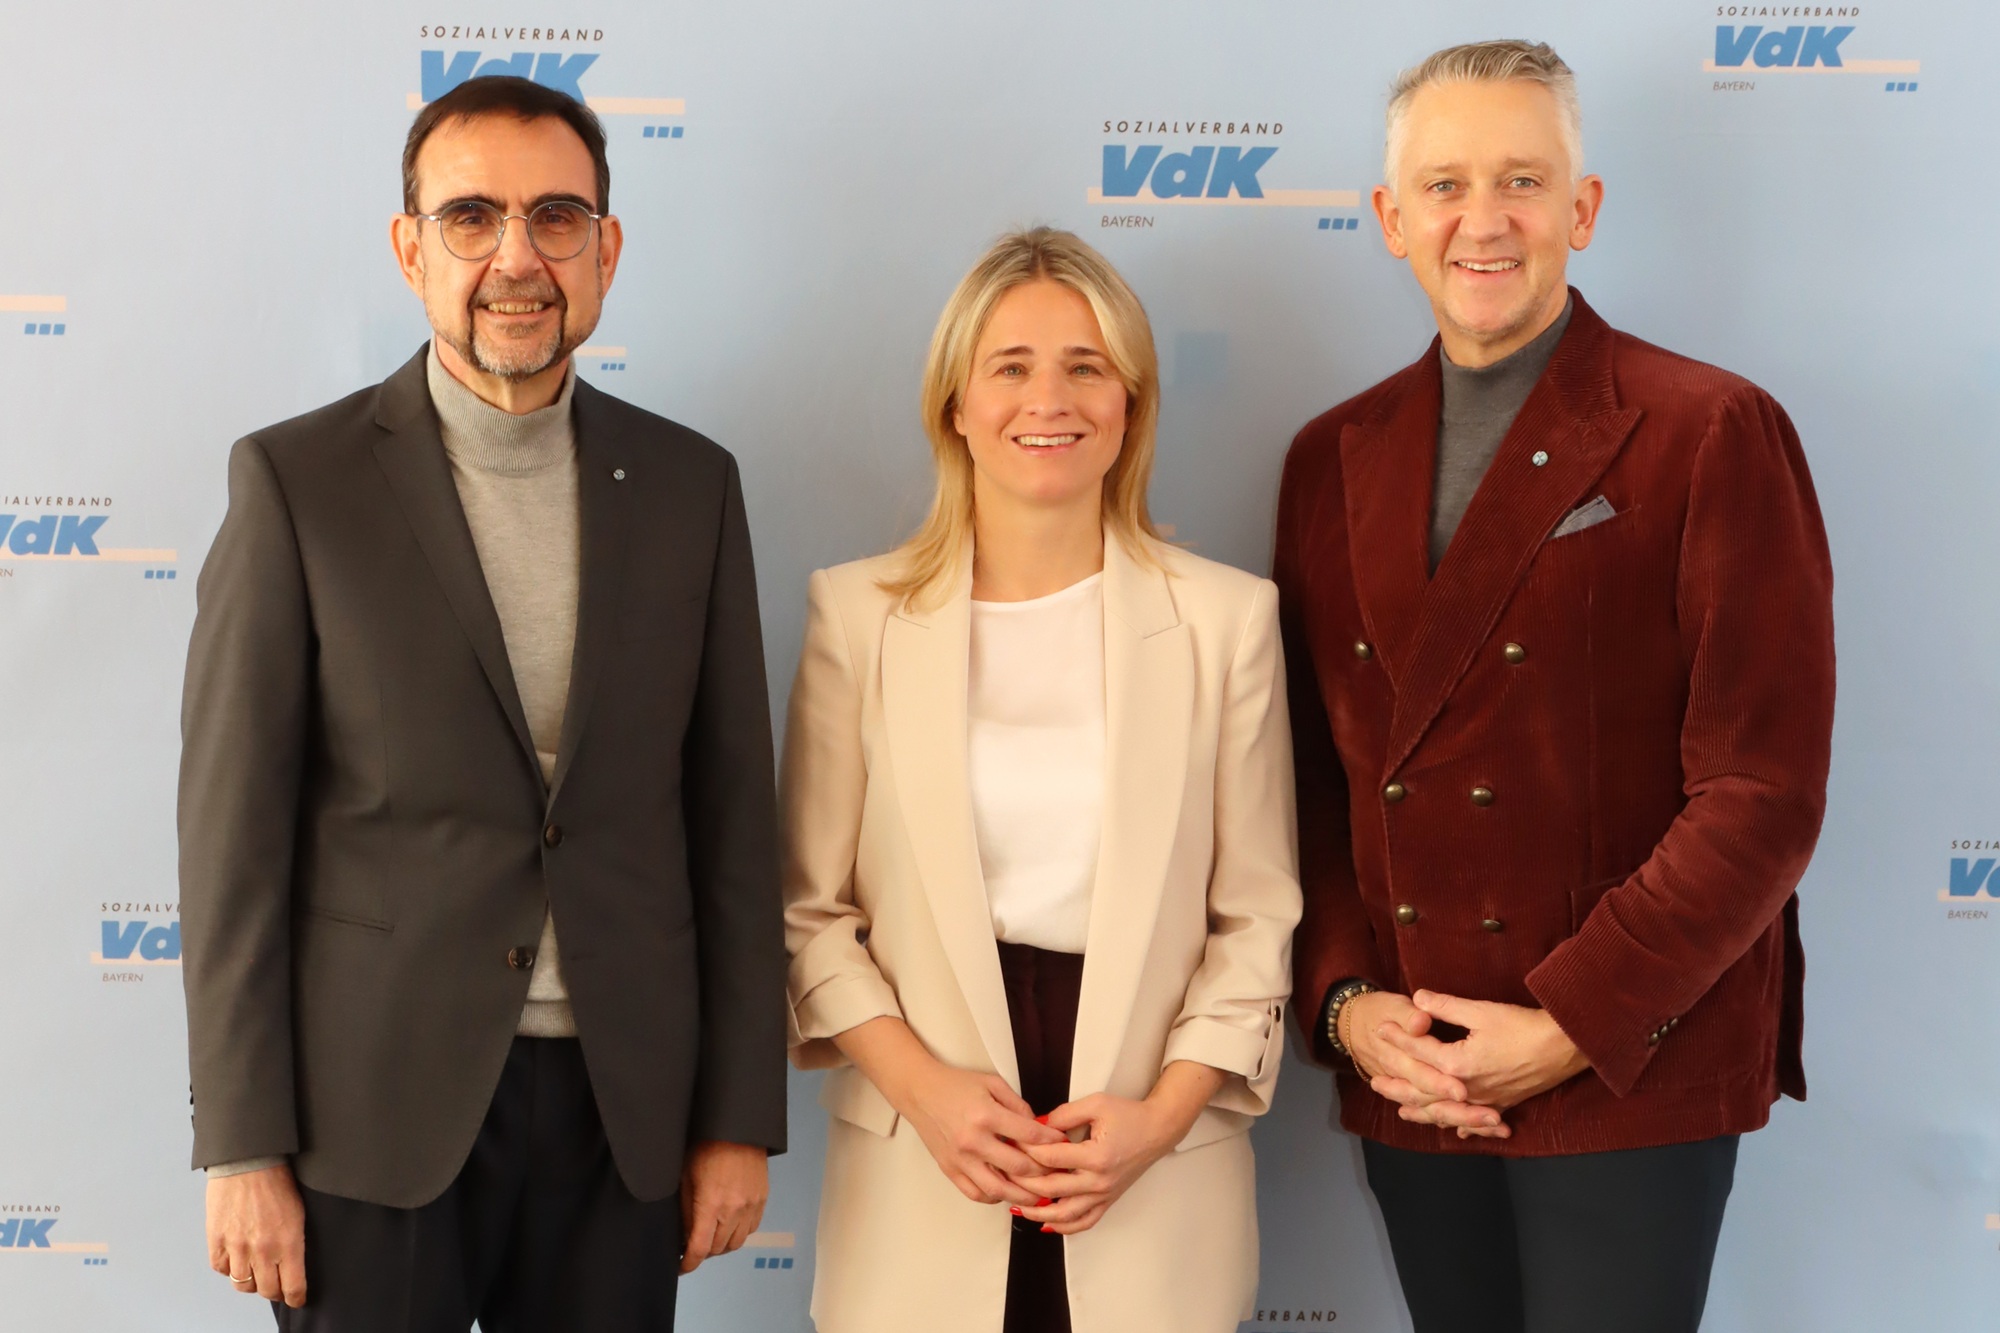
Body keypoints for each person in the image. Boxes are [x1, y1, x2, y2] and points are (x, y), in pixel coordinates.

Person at [178, 75, 786, 1330]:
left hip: (622, 1117)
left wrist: (735, 1117)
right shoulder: (297, 482)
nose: (517, 258)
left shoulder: (692, 487)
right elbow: (232, 846)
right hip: (370, 1118)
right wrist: (241, 1142)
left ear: (605, 249)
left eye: (556, 218)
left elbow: (731, 828)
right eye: (471, 218)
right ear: (411, 251)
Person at [1275, 40, 1835, 1333]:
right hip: (1420, 1071)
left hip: (1629, 1063)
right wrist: (1351, 1009)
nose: (1483, 220)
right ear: (1391, 219)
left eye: (1521, 181)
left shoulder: (1709, 427)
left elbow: (1761, 791)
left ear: (1579, 209)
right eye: (1446, 184)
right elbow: (1309, 781)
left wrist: (1570, 1023)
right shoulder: (1327, 456)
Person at [781, 227, 1301, 1333]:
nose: (1048, 400)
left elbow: (1256, 919)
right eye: (1009, 366)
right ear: (955, 405)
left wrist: (1160, 1119)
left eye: (1085, 366)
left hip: (1152, 1171)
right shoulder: (858, 617)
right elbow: (807, 914)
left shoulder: (1227, 622)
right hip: (923, 1165)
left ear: (1130, 402)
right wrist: (923, 1092)